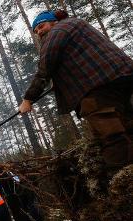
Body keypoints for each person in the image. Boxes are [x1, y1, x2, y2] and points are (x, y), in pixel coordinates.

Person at [19, 10, 133, 173]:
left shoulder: (57, 31)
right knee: (128, 128)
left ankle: (123, 184)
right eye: (36, 31)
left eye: (41, 26)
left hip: (96, 89)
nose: (39, 32)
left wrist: (28, 99)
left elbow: (45, 68)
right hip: (120, 80)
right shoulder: (77, 25)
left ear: (53, 22)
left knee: (112, 138)